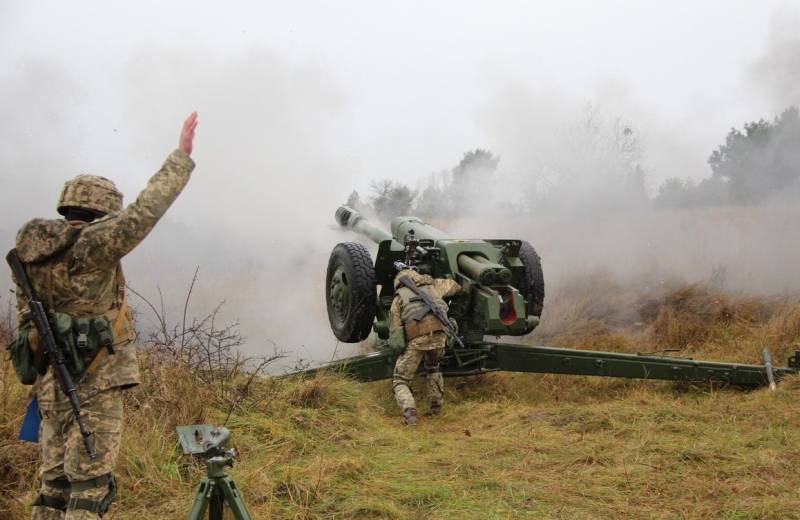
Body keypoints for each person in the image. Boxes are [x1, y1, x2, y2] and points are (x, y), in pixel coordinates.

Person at [12, 112, 198, 519]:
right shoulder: (93, 246)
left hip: (49, 382)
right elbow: (144, 212)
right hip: (92, 381)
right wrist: (180, 158)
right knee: (90, 488)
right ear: (103, 211)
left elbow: (25, 316)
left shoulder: (30, 254)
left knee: (52, 486)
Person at [389, 268, 461, 425]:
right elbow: (455, 286)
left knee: (400, 380)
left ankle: (410, 414)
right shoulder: (434, 286)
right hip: (440, 336)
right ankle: (436, 407)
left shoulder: (399, 298)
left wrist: (400, 350)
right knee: (433, 367)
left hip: (418, 340)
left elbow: (395, 335)